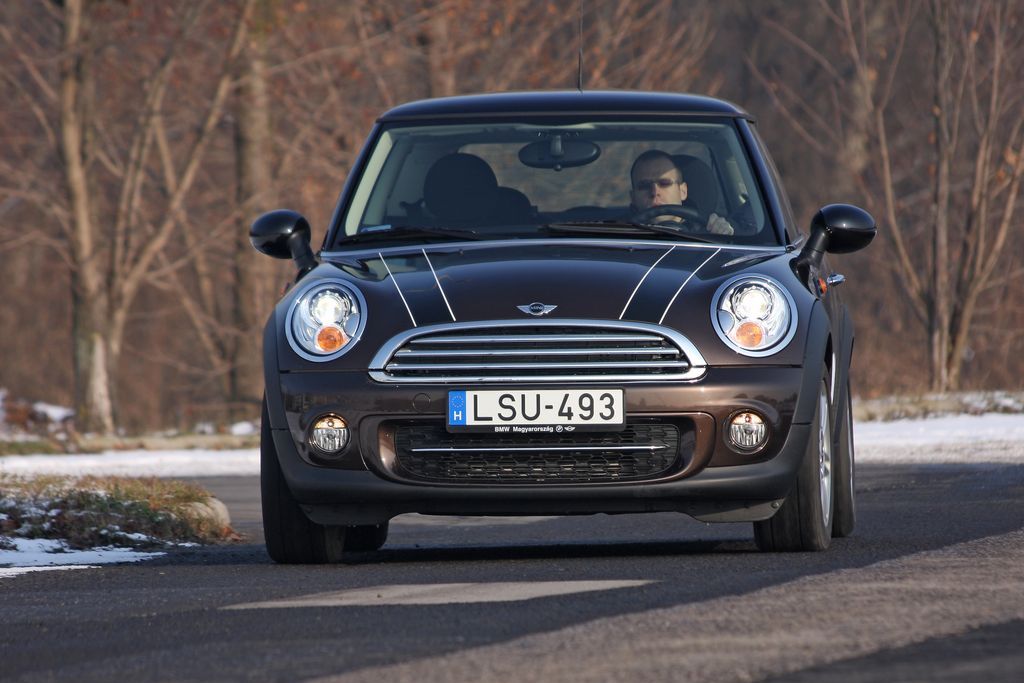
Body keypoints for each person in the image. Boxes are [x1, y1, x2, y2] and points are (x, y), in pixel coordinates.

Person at [629, 149, 734, 235]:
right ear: (633, 197)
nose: (655, 192)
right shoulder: (620, 235)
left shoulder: (711, 229)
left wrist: (723, 236)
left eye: (664, 183)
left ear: (683, 191)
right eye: (644, 186)